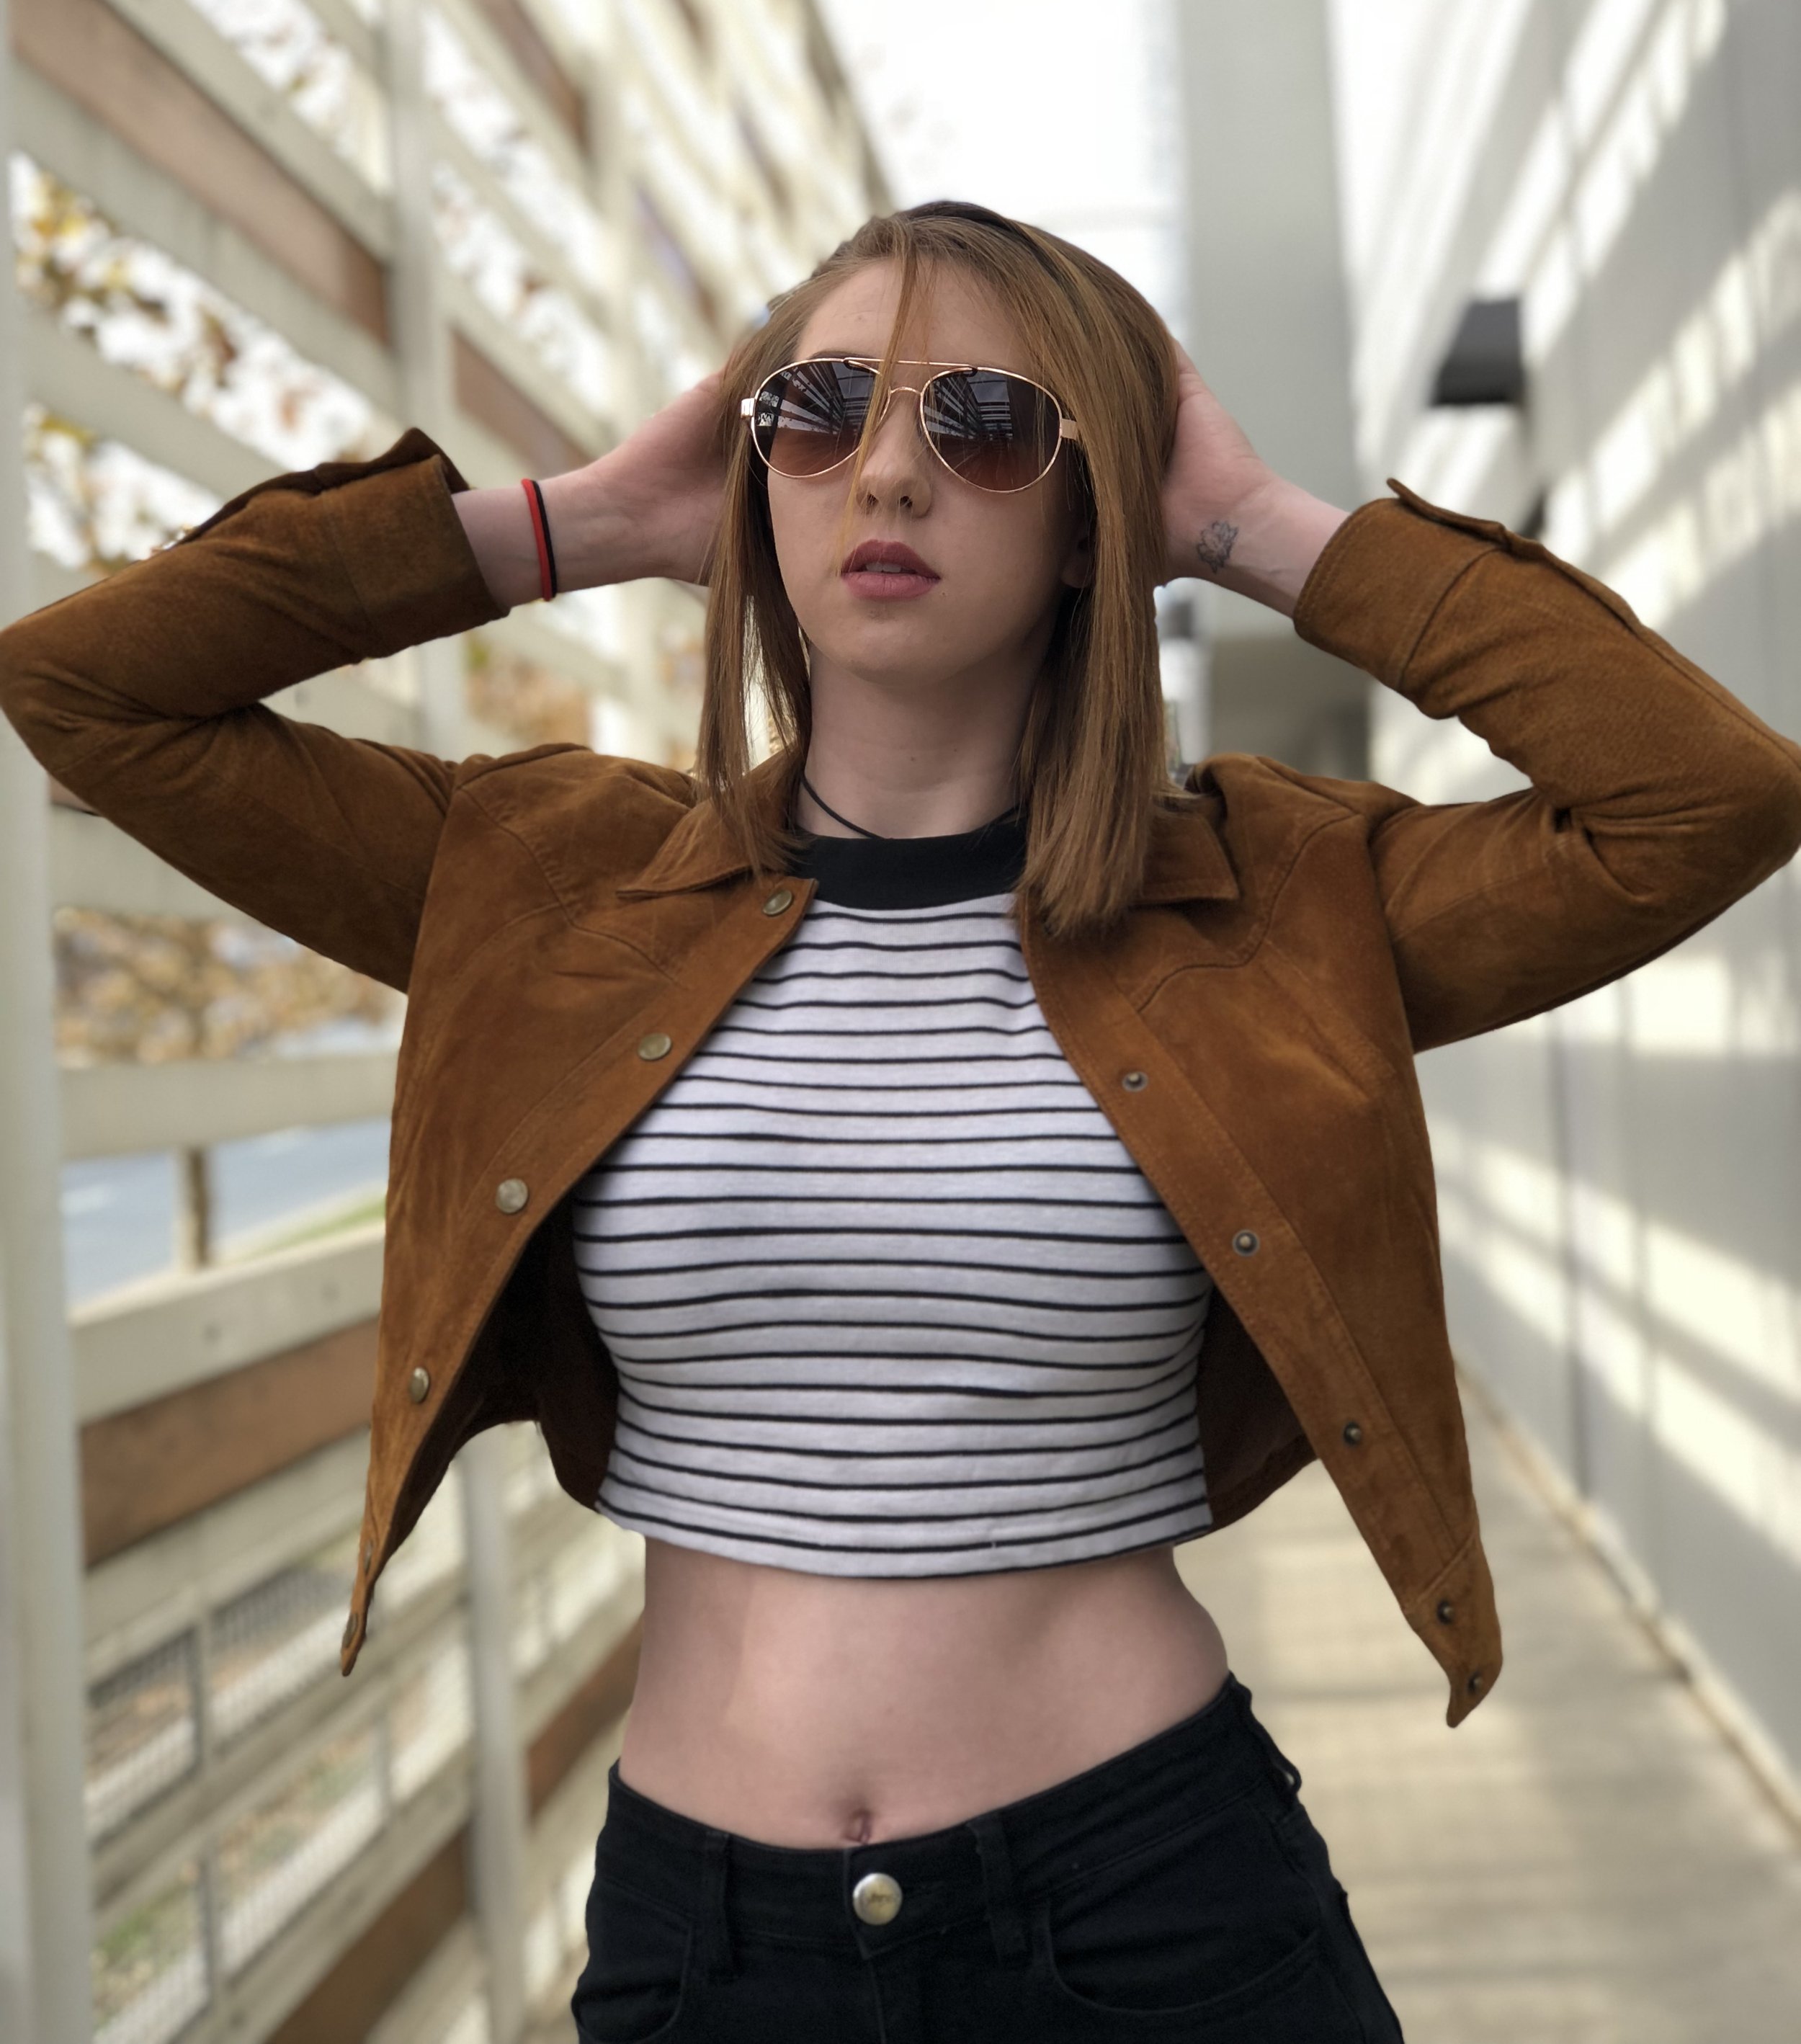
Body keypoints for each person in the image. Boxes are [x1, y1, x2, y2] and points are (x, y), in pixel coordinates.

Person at [4, 201, 1799, 2044]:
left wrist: (1254, 530)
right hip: (707, 1939)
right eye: (821, 407)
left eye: (987, 423)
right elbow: (87, 685)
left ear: (1090, 506)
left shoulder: (1280, 904)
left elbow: (1698, 797)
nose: (887, 472)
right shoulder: (543, 885)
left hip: (1150, 1905)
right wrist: (593, 519)